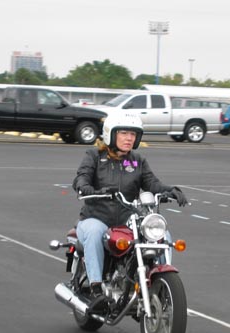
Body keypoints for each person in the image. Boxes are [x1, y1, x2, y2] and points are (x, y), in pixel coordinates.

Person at [72, 111, 188, 300]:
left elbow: (152, 184)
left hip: (128, 219)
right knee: (94, 232)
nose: (129, 138)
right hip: (96, 217)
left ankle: (160, 282)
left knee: (162, 235)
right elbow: (81, 177)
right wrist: (86, 188)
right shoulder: (94, 155)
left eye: (133, 134)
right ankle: (96, 288)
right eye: (124, 133)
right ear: (111, 133)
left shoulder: (137, 160)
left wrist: (172, 190)